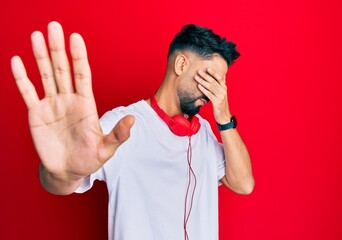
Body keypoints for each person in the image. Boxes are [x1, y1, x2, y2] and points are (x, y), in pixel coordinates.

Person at [11, 21, 255, 240]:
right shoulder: (122, 123)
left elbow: (244, 184)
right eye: (212, 80)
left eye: (221, 85)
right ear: (181, 64)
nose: (216, 94)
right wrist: (63, 172)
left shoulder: (203, 132)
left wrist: (224, 119)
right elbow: (59, 181)